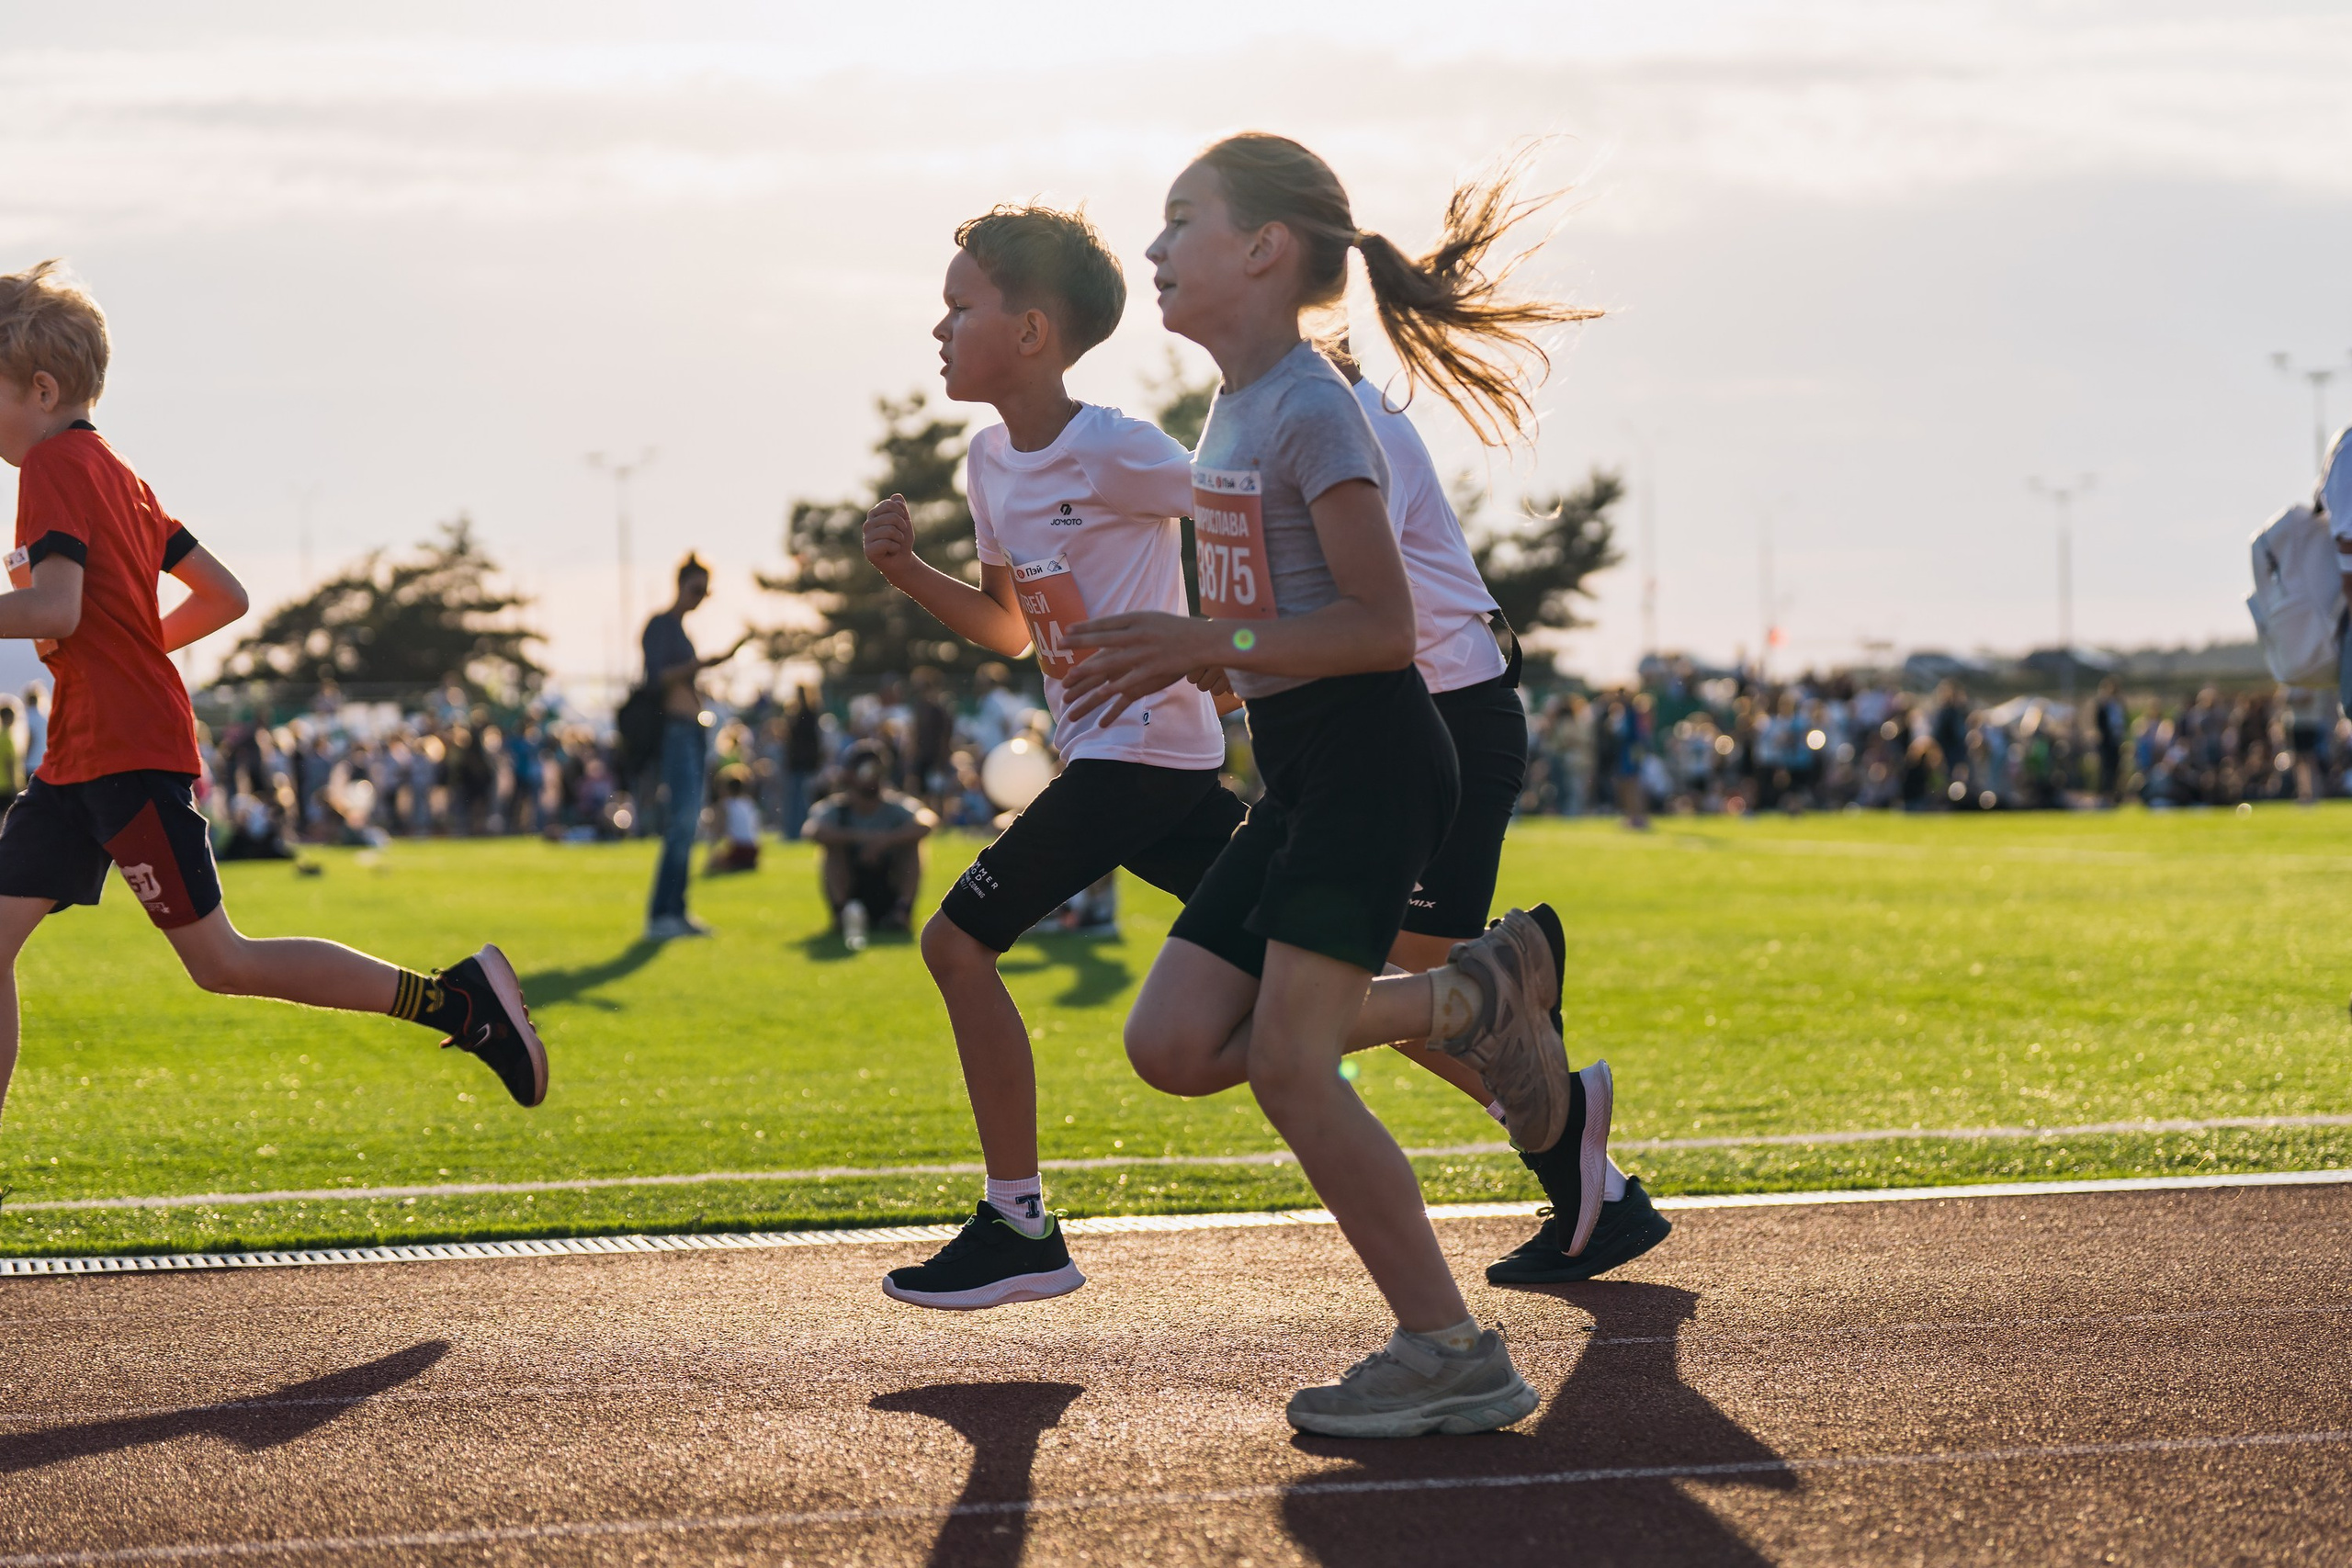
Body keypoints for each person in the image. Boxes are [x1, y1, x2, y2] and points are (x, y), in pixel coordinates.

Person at [1062, 136, 1614, 1438]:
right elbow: (1284, 612)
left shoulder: (1315, 407)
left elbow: (1379, 623)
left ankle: (1448, 1347)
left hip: (1376, 757)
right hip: (1307, 767)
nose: (1152, 250)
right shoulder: (1236, 406)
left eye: (1179, 221)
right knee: (1173, 1042)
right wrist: (1214, 667)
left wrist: (1210, 644)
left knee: (1293, 1065)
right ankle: (1469, 989)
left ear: (1261, 250)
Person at [0, 259, 546, 1131]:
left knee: (222, 960)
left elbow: (55, 607)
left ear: (39, 384)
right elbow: (225, 596)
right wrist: (128, 647)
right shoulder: (122, 475)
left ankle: (460, 1003)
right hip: (84, 749)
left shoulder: (54, 465)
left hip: (124, 748)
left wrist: (112, 648)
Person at [862, 204, 1245, 1309]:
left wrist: (1229, 641)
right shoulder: (989, 462)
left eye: (959, 307)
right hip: (1135, 766)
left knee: (954, 941)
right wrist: (911, 575)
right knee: (1319, 954)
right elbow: (1012, 629)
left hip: (1138, 757)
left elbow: (1243, 512)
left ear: (1030, 331)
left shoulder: (1118, 447)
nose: (938, 329)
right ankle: (1567, 1147)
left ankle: (1017, 1220)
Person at [1334, 343, 1669, 1287]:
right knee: (1385, 998)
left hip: (1441, 722)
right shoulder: (1291, 406)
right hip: (1411, 724)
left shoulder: (1336, 413)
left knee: (1389, 997)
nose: (1163, 262)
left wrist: (1215, 657)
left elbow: (1360, 613)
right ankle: (1584, 1176)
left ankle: (1561, 1118)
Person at [639, 554, 750, 941]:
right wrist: (702, 663)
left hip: (691, 731)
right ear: (681, 584)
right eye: (695, 589)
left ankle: (677, 910)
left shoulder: (680, 631)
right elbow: (655, 678)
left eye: (706, 591)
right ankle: (661, 914)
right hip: (675, 732)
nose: (700, 597)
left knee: (689, 826)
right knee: (682, 822)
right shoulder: (661, 626)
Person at [805, 739, 933, 945]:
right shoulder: (837, 808)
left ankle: (901, 912)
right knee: (833, 850)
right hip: (854, 882)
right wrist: (862, 839)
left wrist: (885, 841)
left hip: (888, 881)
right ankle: (841, 914)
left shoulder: (895, 805)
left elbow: (927, 823)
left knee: (912, 846)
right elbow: (812, 831)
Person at [706, 765, 761, 874]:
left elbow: (718, 831)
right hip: (754, 849)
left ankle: (732, 864)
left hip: (738, 849)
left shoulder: (724, 805)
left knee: (713, 865)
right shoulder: (749, 803)